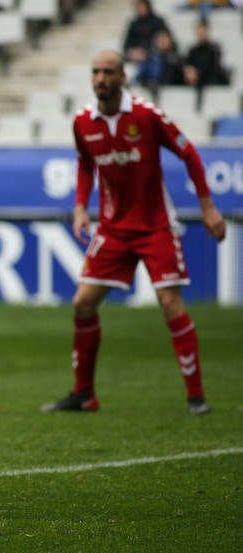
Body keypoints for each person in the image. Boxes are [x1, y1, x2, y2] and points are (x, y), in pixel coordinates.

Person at [40, 50, 226, 416]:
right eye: (95, 72)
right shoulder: (83, 122)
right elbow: (84, 164)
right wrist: (80, 207)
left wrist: (207, 207)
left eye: (108, 72)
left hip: (156, 225)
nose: (101, 78)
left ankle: (196, 396)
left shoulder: (145, 114)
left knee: (170, 304)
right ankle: (83, 394)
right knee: (82, 302)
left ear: (123, 76)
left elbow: (188, 153)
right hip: (113, 228)